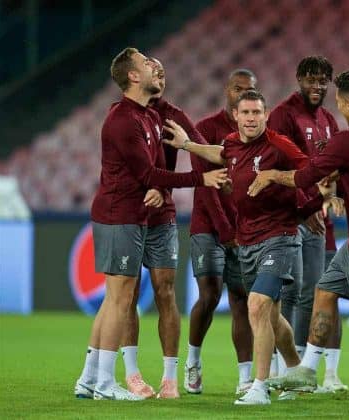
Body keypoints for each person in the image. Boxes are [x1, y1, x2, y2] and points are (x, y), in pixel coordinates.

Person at [73, 47, 229, 401]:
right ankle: (106, 383)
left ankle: (90, 378)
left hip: (135, 214)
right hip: (121, 214)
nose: (155, 67)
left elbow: (162, 165)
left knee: (116, 298)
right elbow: (144, 172)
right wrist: (198, 180)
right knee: (119, 299)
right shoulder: (124, 119)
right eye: (146, 63)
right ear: (132, 76)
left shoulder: (149, 115)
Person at [249, 70, 349, 410]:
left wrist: (270, 175)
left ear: (347, 102)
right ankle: (308, 369)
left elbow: (305, 177)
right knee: (324, 289)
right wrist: (338, 181)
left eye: (339, 100)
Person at [164, 90, 332, 405]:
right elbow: (219, 153)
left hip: (280, 237)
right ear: (237, 116)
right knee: (270, 318)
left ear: (265, 115)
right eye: (246, 113)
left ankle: (259, 386)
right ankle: (299, 373)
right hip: (248, 241)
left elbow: (312, 171)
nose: (252, 118)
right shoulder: (232, 143)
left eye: (257, 112)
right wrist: (186, 145)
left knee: (255, 305)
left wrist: (276, 177)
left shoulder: (278, 144)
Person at [267, 55, 348, 392]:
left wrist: (332, 196)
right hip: (288, 217)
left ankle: (299, 369)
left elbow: (336, 166)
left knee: (311, 293)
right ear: (299, 78)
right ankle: (280, 367)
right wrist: (307, 206)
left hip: (317, 218)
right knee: (285, 293)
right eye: (311, 79)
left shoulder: (329, 119)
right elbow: (275, 167)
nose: (317, 86)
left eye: (323, 80)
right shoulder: (283, 115)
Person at [184, 69, 257, 396]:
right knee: (210, 295)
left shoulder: (256, 133)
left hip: (242, 230)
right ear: (227, 91)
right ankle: (193, 360)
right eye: (238, 89)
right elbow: (209, 188)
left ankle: (244, 378)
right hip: (208, 226)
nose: (242, 94)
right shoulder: (205, 130)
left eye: (249, 90)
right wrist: (228, 231)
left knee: (241, 299)